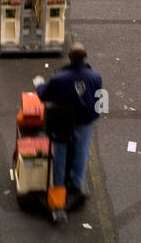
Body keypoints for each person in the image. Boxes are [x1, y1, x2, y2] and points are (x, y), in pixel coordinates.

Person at [36, 43, 103, 207]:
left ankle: (59, 184)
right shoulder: (95, 76)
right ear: (85, 57)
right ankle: (76, 182)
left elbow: (44, 95)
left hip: (62, 120)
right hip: (85, 120)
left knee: (60, 150)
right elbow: (99, 100)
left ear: (70, 57)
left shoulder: (59, 78)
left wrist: (38, 84)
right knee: (82, 150)